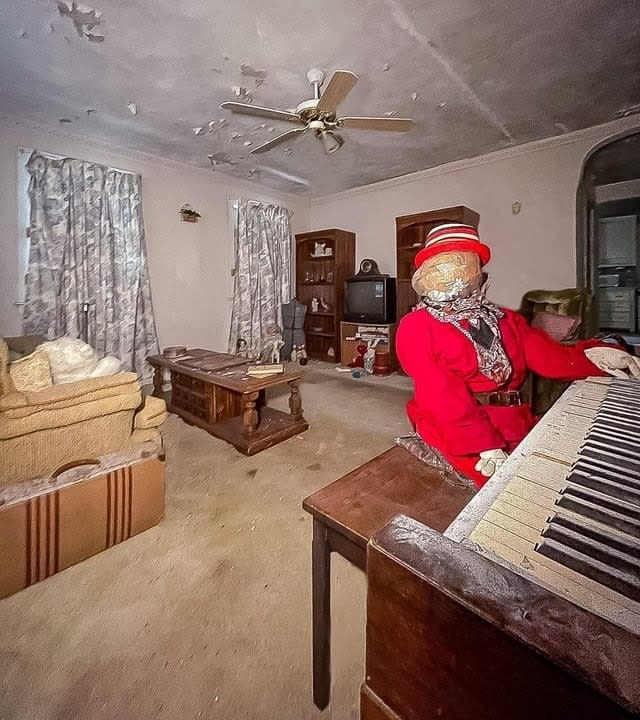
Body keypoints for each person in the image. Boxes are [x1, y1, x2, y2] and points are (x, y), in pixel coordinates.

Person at [396, 223, 640, 488]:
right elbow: (440, 394)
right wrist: (484, 444)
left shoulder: (505, 319)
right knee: (512, 490)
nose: (456, 282)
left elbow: (552, 358)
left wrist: (599, 356)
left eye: (465, 269)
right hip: (457, 429)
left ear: (480, 274)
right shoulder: (417, 325)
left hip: (515, 420)